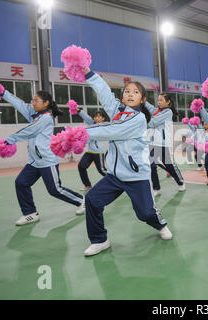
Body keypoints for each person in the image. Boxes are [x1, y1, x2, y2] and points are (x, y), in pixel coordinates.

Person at [82, 68, 172, 257]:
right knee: (92, 200)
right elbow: (104, 93)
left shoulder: (138, 119)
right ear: (122, 97)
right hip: (114, 175)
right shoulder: (117, 111)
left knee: (145, 214)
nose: (130, 94)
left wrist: (81, 133)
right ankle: (100, 240)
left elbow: (111, 131)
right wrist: (89, 73)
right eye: (127, 91)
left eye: (136, 92)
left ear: (143, 100)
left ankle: (161, 224)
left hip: (136, 175)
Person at [0, 88, 84, 225]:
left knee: (55, 190)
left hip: (47, 160)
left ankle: (82, 201)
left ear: (46, 103)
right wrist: (3, 93)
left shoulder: (46, 118)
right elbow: (19, 104)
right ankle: (30, 213)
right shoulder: (34, 114)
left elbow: (30, 131)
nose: (33, 103)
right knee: (21, 183)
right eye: (33, 100)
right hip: (34, 160)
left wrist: (10, 140)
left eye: (36, 101)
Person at [76, 109, 107, 190]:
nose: (97, 118)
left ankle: (119, 182)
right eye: (95, 117)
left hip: (98, 152)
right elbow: (86, 117)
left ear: (103, 118)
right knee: (81, 166)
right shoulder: (91, 123)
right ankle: (87, 185)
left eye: (99, 117)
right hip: (89, 152)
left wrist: (83, 139)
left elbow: (92, 136)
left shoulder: (104, 127)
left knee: (102, 170)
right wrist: (79, 110)